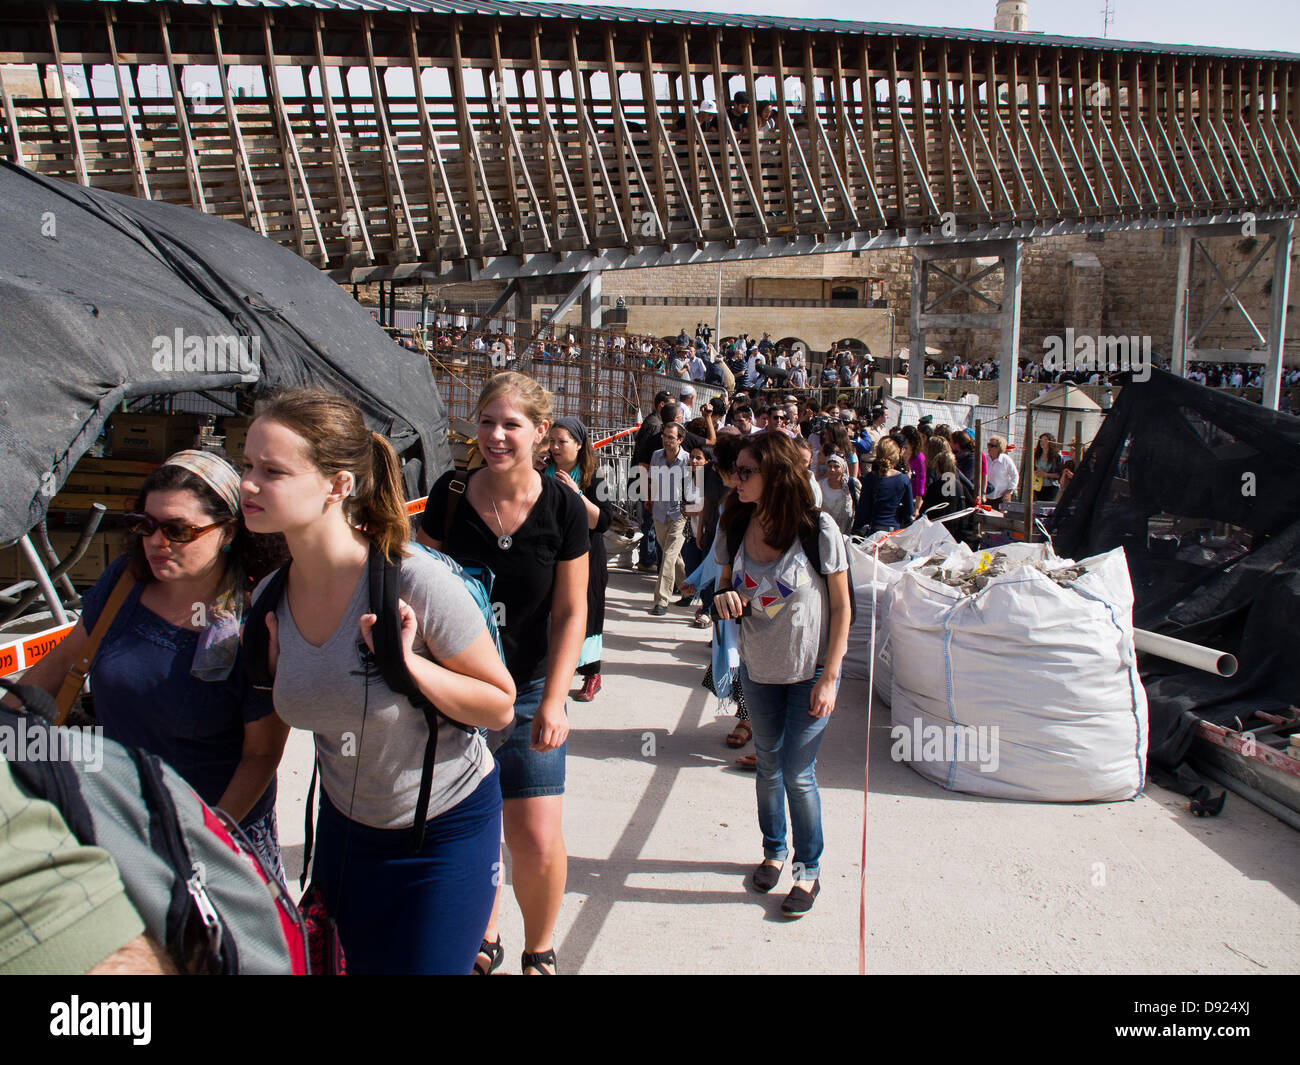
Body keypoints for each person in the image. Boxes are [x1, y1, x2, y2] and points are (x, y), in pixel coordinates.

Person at [240, 389, 515, 974]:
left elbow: (499, 707)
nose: (249, 484)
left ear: (339, 485)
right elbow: (264, 739)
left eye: (273, 471)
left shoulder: (414, 581)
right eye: (247, 466)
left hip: (444, 832)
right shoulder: (270, 600)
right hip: (344, 835)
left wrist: (409, 664)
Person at [19, 450, 290, 881]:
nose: (156, 542)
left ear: (228, 533)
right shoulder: (124, 581)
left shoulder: (257, 622)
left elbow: (261, 755)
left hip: (214, 845)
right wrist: (8, 725)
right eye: (145, 526)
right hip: (115, 823)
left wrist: (207, 841)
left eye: (178, 530)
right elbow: (67, 659)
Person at [416, 373, 587, 976]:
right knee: (470, 822)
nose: (495, 435)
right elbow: (419, 581)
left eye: (511, 424)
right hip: (461, 683)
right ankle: (482, 934)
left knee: (535, 835)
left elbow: (571, 610)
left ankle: (539, 949)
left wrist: (557, 700)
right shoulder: (452, 493)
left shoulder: (563, 506)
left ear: (541, 433)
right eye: (487, 421)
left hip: (534, 684)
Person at [712, 432, 850, 916]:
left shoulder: (817, 529)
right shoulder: (734, 523)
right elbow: (725, 591)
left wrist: (831, 674)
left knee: (797, 771)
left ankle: (808, 871)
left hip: (810, 672)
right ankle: (773, 849)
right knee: (768, 765)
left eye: (747, 472)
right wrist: (723, 599)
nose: (737, 479)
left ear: (776, 475)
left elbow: (842, 606)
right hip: (759, 669)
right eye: (736, 471)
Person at [545, 417, 612, 702]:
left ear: (579, 444)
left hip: (586, 556)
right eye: (552, 441)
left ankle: (591, 673)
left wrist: (576, 495)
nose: (556, 447)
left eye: (562, 442)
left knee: (587, 611)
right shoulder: (541, 471)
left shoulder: (594, 477)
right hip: (548, 554)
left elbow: (603, 521)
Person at [648, 422, 698, 616]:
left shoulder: (689, 460)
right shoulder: (656, 456)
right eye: (664, 435)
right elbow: (652, 480)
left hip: (680, 514)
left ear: (680, 440)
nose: (666, 439)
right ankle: (689, 591)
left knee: (668, 555)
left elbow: (697, 485)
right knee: (673, 556)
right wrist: (649, 499)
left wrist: (693, 509)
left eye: (670, 437)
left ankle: (661, 600)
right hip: (659, 512)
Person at [852, 438, 914, 534]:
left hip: (873, 529)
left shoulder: (870, 477)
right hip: (893, 530)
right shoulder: (903, 479)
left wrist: (856, 530)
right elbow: (909, 511)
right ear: (896, 455)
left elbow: (863, 509)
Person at [985, 436, 1019, 505]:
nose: (989, 447)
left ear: (999, 448)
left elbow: (1015, 476)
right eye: (988, 444)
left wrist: (1009, 492)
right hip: (986, 496)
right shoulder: (985, 459)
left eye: (992, 446)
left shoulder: (1006, 460)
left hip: (1001, 497)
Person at [1033, 433, 1065, 501]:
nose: (1042, 442)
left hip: (1051, 486)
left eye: (1045, 440)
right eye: (1041, 440)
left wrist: (1045, 474)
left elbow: (1059, 474)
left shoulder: (1057, 456)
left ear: (1050, 442)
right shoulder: (1036, 455)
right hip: (1037, 485)